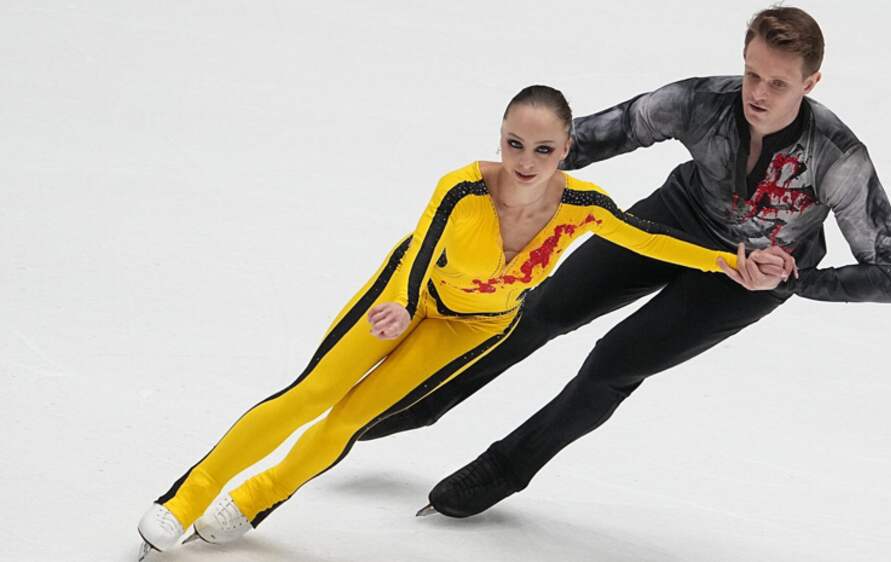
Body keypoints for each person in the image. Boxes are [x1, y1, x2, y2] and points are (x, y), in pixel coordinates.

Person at [135, 85, 785, 557]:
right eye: (514, 143)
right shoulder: (463, 188)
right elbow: (421, 251)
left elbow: (648, 237)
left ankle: (257, 498)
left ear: (566, 150)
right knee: (314, 393)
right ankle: (184, 500)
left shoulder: (584, 205)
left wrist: (728, 260)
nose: (525, 160)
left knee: (350, 420)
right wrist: (399, 305)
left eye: (543, 149)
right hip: (407, 299)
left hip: (474, 326)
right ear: (499, 138)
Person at [357, 6, 891, 518]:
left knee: (612, 363)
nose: (758, 93)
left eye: (778, 83)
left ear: (811, 84)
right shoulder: (701, 100)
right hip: (677, 219)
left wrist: (793, 279)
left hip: (750, 276)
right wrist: (511, 173)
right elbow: (598, 135)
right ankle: (419, 401)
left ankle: (503, 468)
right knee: (544, 309)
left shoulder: (837, 156)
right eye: (752, 74)